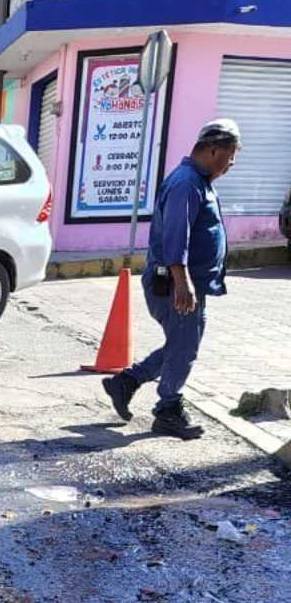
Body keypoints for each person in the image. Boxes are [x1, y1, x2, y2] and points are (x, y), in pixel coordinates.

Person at [102, 119, 240, 440]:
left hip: (181, 281)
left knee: (181, 345)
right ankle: (167, 409)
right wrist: (183, 280)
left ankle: (126, 383)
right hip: (172, 283)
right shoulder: (186, 184)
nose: (232, 163)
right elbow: (177, 235)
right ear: (213, 149)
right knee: (184, 347)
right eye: (230, 155)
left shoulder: (198, 181)